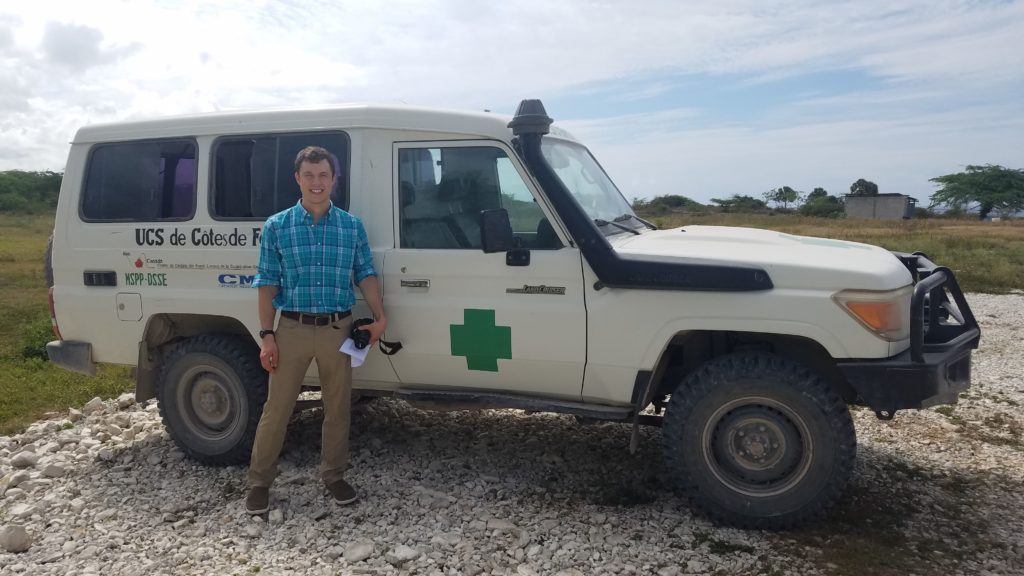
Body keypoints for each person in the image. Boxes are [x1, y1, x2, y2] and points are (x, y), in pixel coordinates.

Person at [245, 146, 386, 514]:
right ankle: (259, 482)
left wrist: (379, 316)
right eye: (309, 175)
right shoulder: (277, 226)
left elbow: (366, 273)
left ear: (334, 179)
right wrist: (266, 335)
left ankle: (334, 476)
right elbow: (267, 283)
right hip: (291, 328)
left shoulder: (351, 226)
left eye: (323, 175)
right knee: (277, 409)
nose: (316, 182)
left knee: (337, 408)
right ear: (298, 178)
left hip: (337, 330)